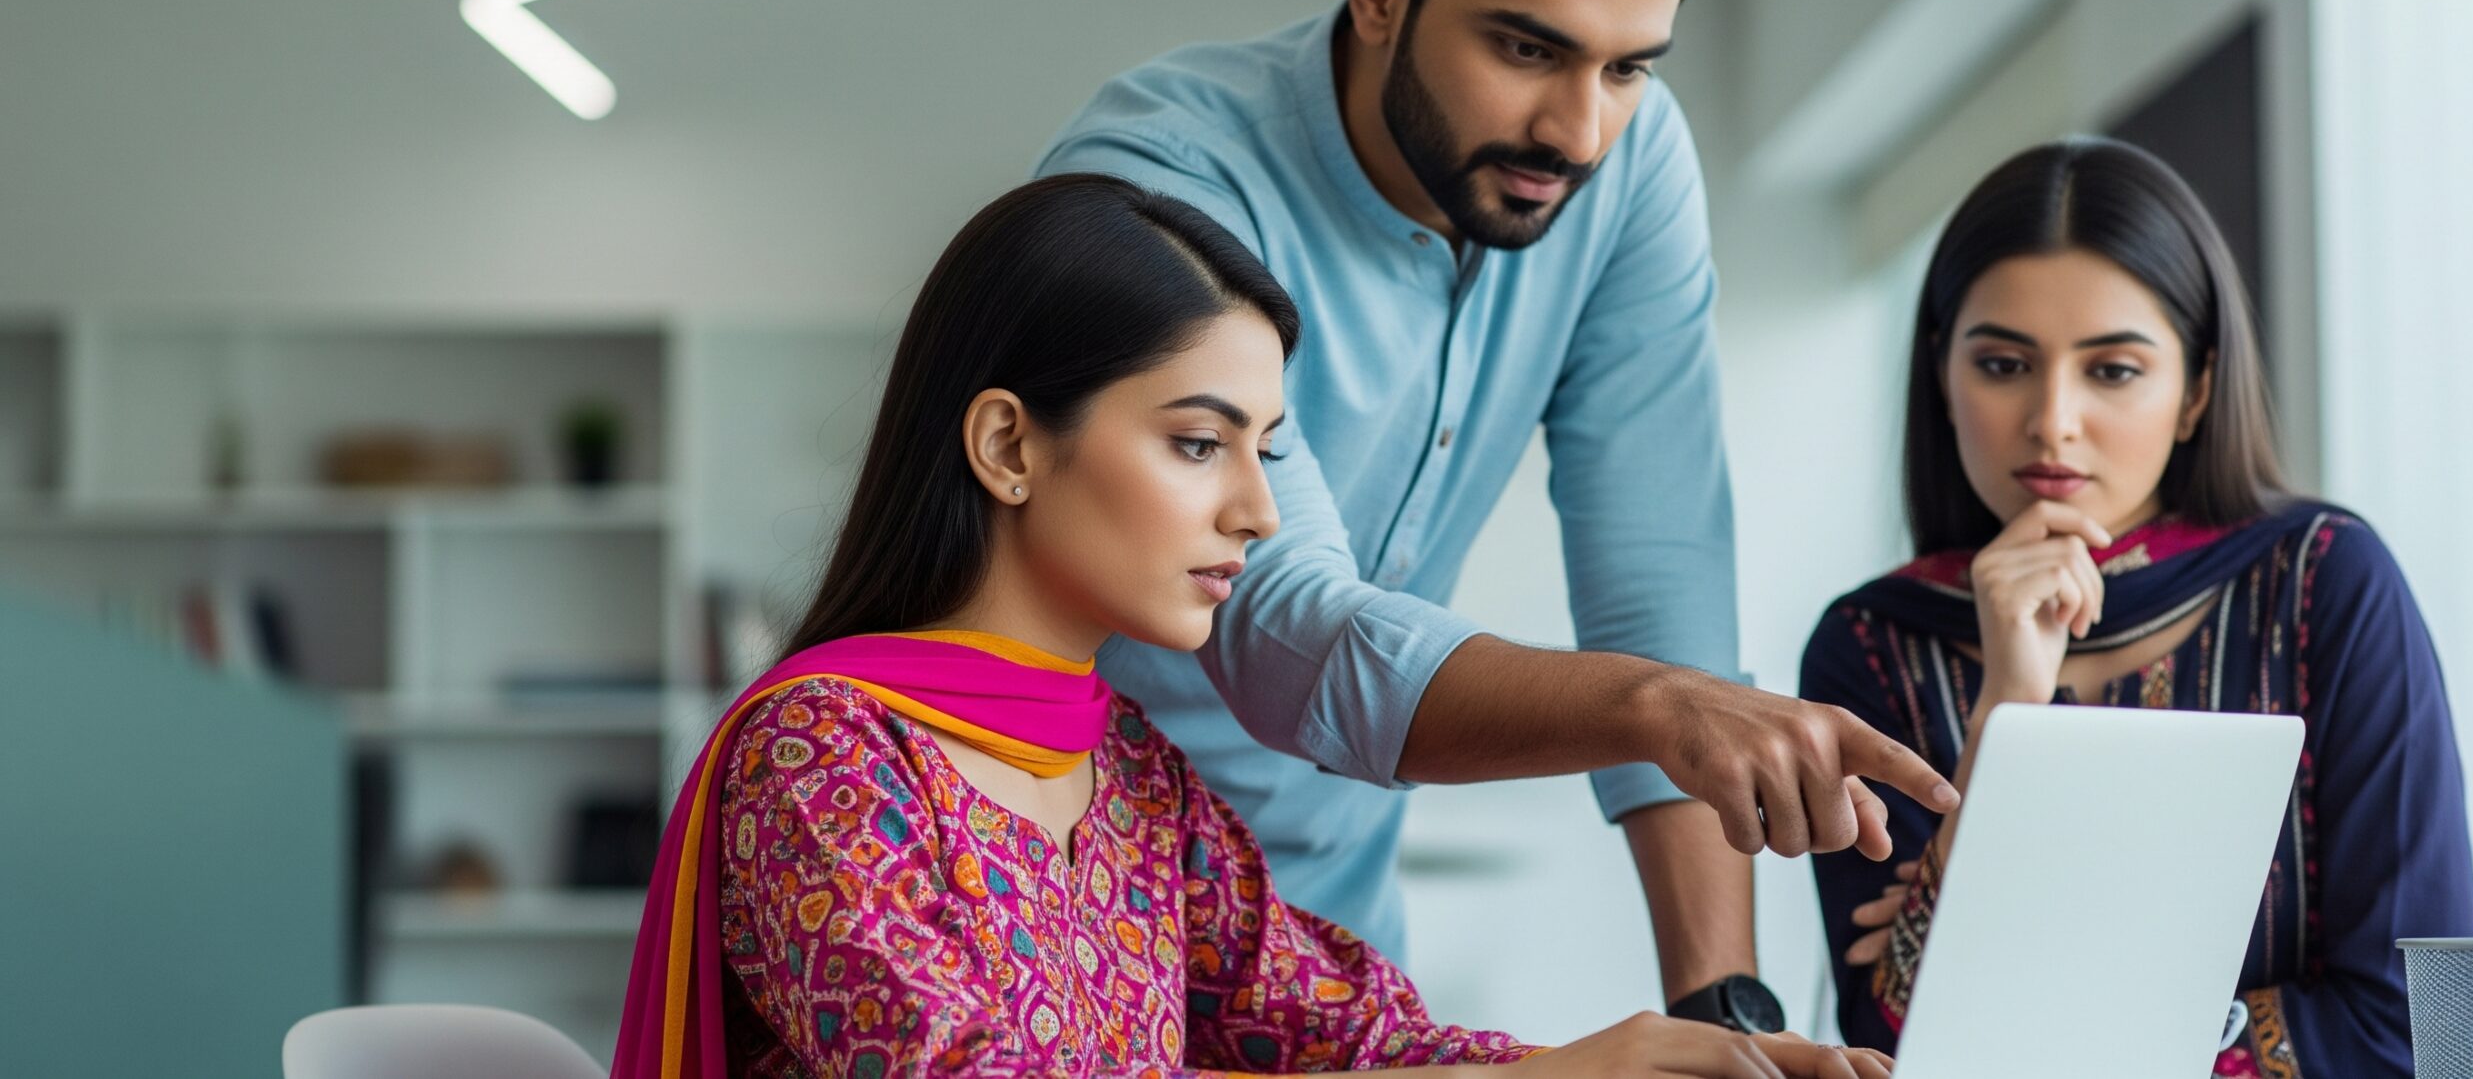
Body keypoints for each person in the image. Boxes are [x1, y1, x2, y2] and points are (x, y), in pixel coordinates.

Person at [1036, 0, 1953, 1032]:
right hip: (1060, 906)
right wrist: (1659, 706)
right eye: (1529, 49)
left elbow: (1660, 583)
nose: (1578, 132)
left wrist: (1725, 1013)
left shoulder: (1627, 168)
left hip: (1335, 937)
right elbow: (1282, 625)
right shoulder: (1165, 184)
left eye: (1631, 66)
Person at [609, 175, 1894, 1078]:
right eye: (1195, 442)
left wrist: (1664, 1060)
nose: (1259, 510)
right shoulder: (825, 751)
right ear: (1007, 443)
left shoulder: (1133, 778)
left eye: (1265, 450)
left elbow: (1348, 1034)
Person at [1798, 138, 2473, 1075]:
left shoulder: (2323, 583)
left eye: (2111, 370)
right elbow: (1897, 1045)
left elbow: (2419, 1026)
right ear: (1942, 376)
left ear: (2196, 390)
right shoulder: (1873, 647)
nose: (2053, 420)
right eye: (2002, 365)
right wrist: (2007, 706)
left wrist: (2044, 1012)